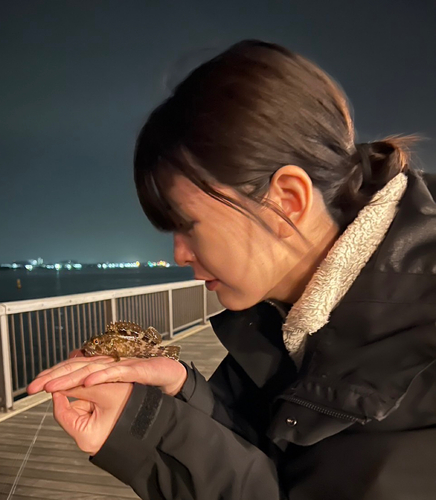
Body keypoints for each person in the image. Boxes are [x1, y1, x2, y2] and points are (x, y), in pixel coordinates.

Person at [27, 40, 436, 499]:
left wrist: (150, 434)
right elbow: (270, 452)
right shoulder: (283, 317)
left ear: (287, 200)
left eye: (188, 225)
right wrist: (178, 396)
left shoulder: (421, 355)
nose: (180, 253)